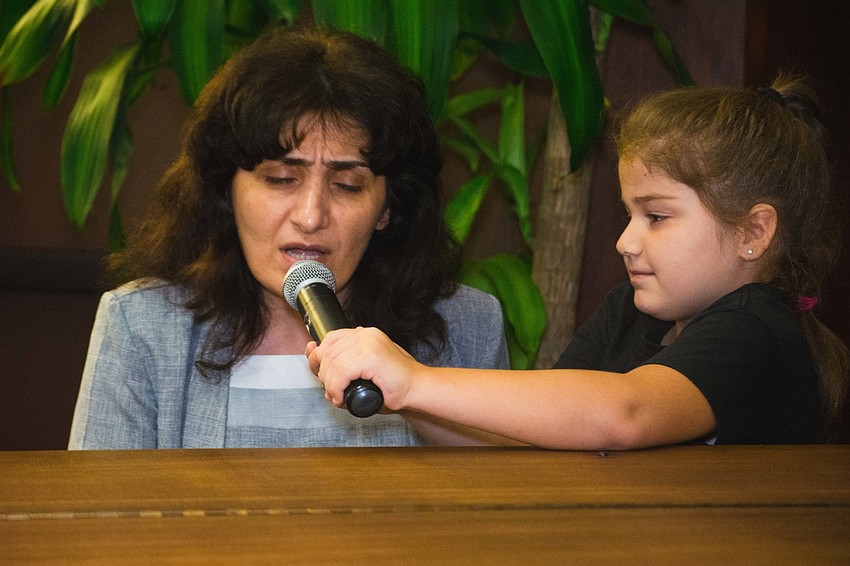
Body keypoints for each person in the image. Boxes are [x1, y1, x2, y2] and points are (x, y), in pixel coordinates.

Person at [309, 75, 850, 448]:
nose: (625, 241)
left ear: (753, 231)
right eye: (628, 215)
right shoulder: (633, 311)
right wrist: (402, 401)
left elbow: (625, 413)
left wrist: (419, 382)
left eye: (656, 217)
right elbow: (531, 430)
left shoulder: (757, 327)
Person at [68, 27, 509, 449]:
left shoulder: (467, 329)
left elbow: (495, 510)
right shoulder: (141, 326)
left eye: (348, 185)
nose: (310, 216)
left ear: (388, 207)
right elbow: (97, 519)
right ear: (227, 190)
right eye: (281, 179)